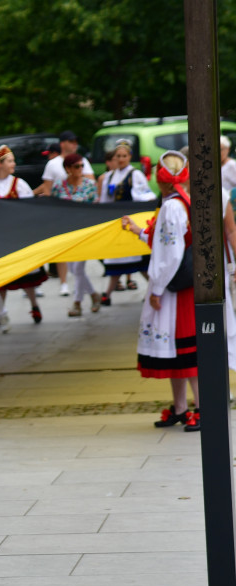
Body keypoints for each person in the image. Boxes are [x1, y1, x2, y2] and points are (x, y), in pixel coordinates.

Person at [123, 151, 199, 431]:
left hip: (174, 288)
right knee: (177, 351)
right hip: (179, 284)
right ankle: (181, 407)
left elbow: (169, 252)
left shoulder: (171, 207)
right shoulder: (181, 201)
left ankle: (200, 407)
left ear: (160, 179)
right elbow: (164, 242)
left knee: (187, 352)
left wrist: (156, 287)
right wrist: (136, 230)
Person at [0, 144, 46, 325]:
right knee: (0, 277)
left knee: (26, 276)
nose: (14, 164)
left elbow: (30, 210)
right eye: (10, 160)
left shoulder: (19, 184)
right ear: (0, 163)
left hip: (17, 236)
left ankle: (34, 305)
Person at [37, 132, 94, 295]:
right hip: (62, 216)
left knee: (78, 263)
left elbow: (90, 185)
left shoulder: (84, 162)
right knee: (66, 256)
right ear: (62, 143)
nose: (75, 144)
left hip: (82, 219)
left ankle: (83, 296)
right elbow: (48, 191)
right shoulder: (53, 165)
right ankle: (65, 284)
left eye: (76, 141)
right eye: (71, 141)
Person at [98, 140, 155, 305]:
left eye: (124, 156)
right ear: (114, 158)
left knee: (140, 260)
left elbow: (146, 195)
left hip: (132, 221)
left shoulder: (135, 174)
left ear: (130, 157)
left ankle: (154, 289)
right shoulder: (110, 176)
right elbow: (105, 200)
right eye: (118, 156)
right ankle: (107, 294)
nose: (121, 159)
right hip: (116, 221)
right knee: (118, 259)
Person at [51, 153, 101, 317]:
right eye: (76, 166)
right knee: (74, 269)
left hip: (85, 232)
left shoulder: (89, 185)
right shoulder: (59, 186)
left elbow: (96, 208)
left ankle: (77, 302)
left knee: (78, 268)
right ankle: (94, 294)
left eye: (82, 166)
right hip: (67, 232)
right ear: (68, 169)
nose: (80, 169)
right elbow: (55, 208)